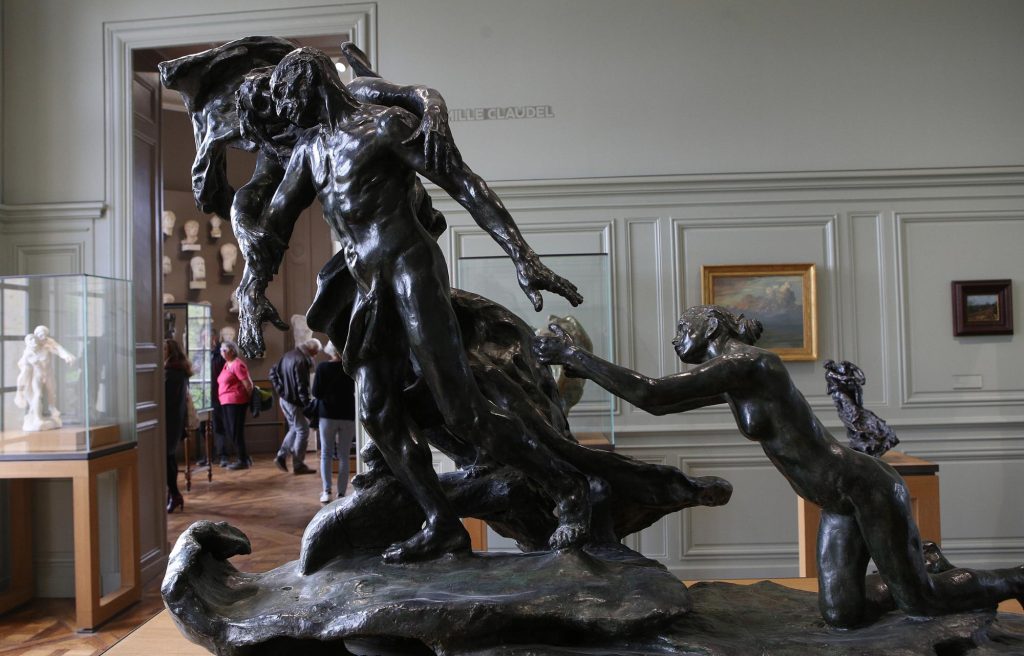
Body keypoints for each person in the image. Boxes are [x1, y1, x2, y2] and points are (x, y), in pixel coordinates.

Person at [234, 47, 591, 563]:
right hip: (365, 288)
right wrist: (249, 287)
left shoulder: (384, 128)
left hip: (410, 272)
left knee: (461, 410)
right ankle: (441, 523)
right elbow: (274, 227)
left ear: (311, 91)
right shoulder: (312, 151)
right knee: (376, 414)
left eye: (293, 106)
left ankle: (568, 489)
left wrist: (522, 256)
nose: (290, 120)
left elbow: (464, 184)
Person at [532, 304, 1024, 628]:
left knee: (923, 604)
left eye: (683, 328)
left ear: (710, 329)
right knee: (841, 615)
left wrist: (575, 354)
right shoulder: (731, 379)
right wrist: (583, 367)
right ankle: (923, 564)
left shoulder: (752, 364)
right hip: (836, 500)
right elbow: (657, 404)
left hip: (862, 486)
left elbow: (653, 392)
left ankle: (1013, 579)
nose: (676, 339)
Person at [311, 341, 356, 502]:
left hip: (327, 415)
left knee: (326, 454)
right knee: (344, 455)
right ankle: (342, 494)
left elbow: (316, 392)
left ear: (329, 350)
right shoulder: (350, 368)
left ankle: (326, 491)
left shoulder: (322, 367)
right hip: (347, 415)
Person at [269, 337, 321, 475]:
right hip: (294, 401)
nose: (315, 355)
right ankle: (298, 464)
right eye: (315, 352)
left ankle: (281, 456)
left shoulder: (288, 355)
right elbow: (301, 386)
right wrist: (307, 406)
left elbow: (272, 372)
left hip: (285, 399)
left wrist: (281, 391)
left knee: (295, 428)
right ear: (310, 349)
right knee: (303, 430)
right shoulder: (301, 361)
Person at [14, 325, 77, 431]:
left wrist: (67, 356)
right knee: (37, 395)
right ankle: (38, 418)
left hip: (48, 374)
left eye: (44, 335)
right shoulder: (28, 354)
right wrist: (19, 390)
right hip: (37, 376)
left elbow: (58, 349)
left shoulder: (48, 344)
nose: (42, 338)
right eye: (40, 335)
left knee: (52, 393)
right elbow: (23, 374)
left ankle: (53, 410)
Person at [164, 339, 192, 513]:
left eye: (165, 348)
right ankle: (173, 494)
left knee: (167, 460)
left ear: (171, 352)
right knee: (170, 458)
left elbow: (165, 399)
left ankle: (174, 494)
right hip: (175, 421)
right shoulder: (179, 371)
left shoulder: (170, 372)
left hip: (169, 421)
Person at [217, 339, 253, 470]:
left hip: (236, 402)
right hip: (226, 402)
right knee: (230, 431)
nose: (221, 352)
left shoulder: (238, 364)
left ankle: (242, 460)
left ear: (232, 351)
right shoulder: (227, 364)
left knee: (236, 432)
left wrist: (245, 401)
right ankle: (245, 457)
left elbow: (248, 385)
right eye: (221, 350)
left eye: (224, 350)